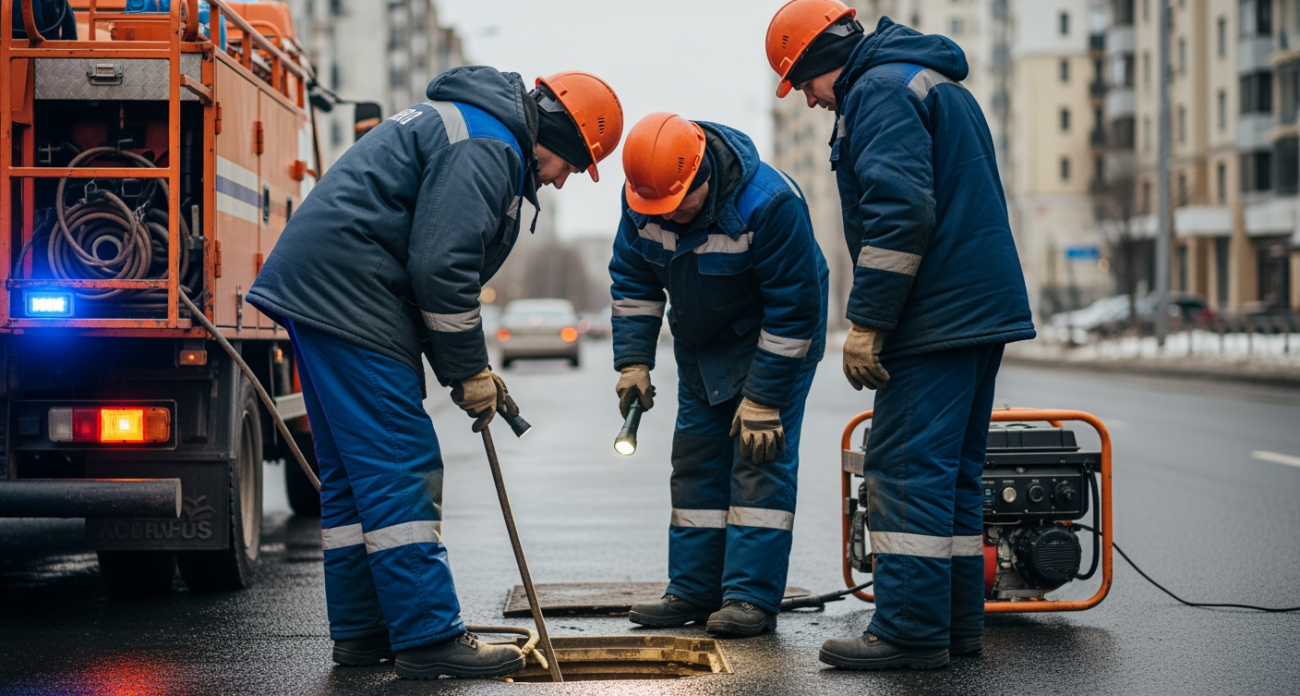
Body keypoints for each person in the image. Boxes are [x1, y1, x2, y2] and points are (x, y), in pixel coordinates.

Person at [248, 66, 622, 679]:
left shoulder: (474, 128)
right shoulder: (489, 146)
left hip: (324, 288)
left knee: (353, 478)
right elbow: (442, 268)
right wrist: (469, 370)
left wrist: (468, 370)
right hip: (352, 295)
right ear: (558, 134)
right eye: (571, 166)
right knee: (400, 462)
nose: (560, 180)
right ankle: (427, 636)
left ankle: (364, 631)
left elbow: (426, 262)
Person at [766, 0, 1037, 670]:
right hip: (976, 307)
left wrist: (868, 321)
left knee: (906, 470)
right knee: (952, 476)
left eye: (805, 82)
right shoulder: (926, 79)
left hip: (934, 313)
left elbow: (900, 212)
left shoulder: (879, 91)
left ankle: (910, 631)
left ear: (824, 59)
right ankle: (953, 626)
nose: (808, 100)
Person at [611, 112, 828, 637]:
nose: (668, 216)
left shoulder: (769, 203)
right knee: (696, 461)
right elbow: (634, 283)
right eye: (656, 208)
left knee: (758, 462)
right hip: (701, 346)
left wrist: (764, 398)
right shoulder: (644, 200)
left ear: (701, 175)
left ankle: (749, 598)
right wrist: (634, 362)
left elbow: (794, 309)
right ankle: (693, 590)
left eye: (676, 204)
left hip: (774, 343)